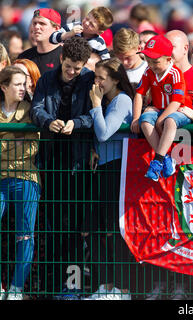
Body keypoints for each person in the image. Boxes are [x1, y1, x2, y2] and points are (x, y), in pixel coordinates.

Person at [30, 37, 94, 299]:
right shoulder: (46, 79)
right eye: (68, 66)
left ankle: (72, 286)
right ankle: (53, 285)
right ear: (61, 59)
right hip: (52, 160)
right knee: (53, 228)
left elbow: (95, 114)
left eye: (77, 69)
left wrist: (76, 123)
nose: (71, 73)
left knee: (76, 229)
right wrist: (49, 122)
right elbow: (35, 109)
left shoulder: (90, 79)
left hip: (79, 162)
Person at [83, 58, 135, 300]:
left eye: (101, 78)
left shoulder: (122, 100)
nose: (97, 82)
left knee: (114, 229)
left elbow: (104, 133)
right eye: (95, 77)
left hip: (118, 170)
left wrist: (95, 104)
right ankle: (105, 285)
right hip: (104, 167)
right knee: (96, 228)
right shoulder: (106, 99)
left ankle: (122, 288)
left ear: (115, 79)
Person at [0, 66, 40, 300]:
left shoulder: (30, 110)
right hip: (1, 177)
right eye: (18, 84)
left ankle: (16, 289)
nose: (23, 89)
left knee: (25, 234)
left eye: (25, 84)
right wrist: (15, 143)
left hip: (26, 177)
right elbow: (21, 147)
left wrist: (5, 143)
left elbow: (32, 147)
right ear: (4, 87)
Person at [131, 34, 190, 182]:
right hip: (159, 110)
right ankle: (165, 159)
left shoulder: (175, 73)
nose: (151, 65)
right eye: (148, 61)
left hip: (179, 110)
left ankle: (157, 161)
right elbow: (139, 94)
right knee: (144, 121)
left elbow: (177, 102)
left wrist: (161, 119)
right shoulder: (148, 72)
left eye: (155, 61)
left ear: (168, 59)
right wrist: (136, 118)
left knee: (169, 121)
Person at [166, 30, 193, 114]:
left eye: (171, 46)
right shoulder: (158, 75)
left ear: (185, 48)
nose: (166, 51)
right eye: (163, 47)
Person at [17, 8, 62, 75]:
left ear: (56, 28)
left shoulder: (65, 55)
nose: (36, 27)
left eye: (42, 23)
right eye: (34, 23)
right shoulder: (24, 57)